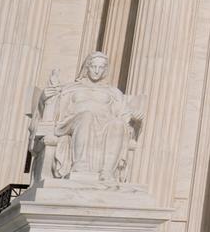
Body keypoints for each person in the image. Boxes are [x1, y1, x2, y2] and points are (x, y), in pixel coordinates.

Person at [36, 51, 142, 185]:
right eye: (94, 67)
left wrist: (136, 119)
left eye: (101, 67)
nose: (97, 71)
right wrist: (43, 98)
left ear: (105, 70)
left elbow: (125, 115)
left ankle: (107, 171)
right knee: (87, 116)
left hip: (105, 123)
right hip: (73, 122)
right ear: (87, 67)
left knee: (118, 124)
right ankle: (80, 164)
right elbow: (50, 107)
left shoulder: (114, 92)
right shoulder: (70, 88)